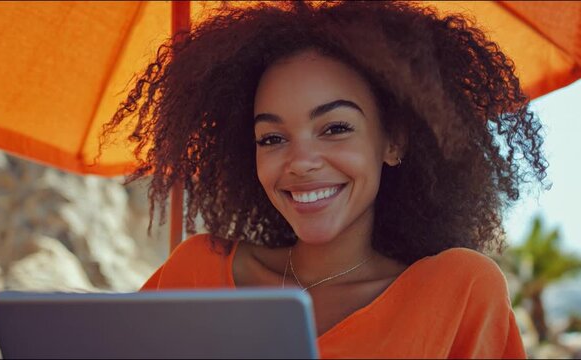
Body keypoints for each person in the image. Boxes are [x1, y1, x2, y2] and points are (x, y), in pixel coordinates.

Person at [104, 1, 548, 358]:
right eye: (273, 137)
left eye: (335, 128)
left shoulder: (460, 291)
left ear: (393, 141)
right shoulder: (194, 272)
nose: (301, 162)